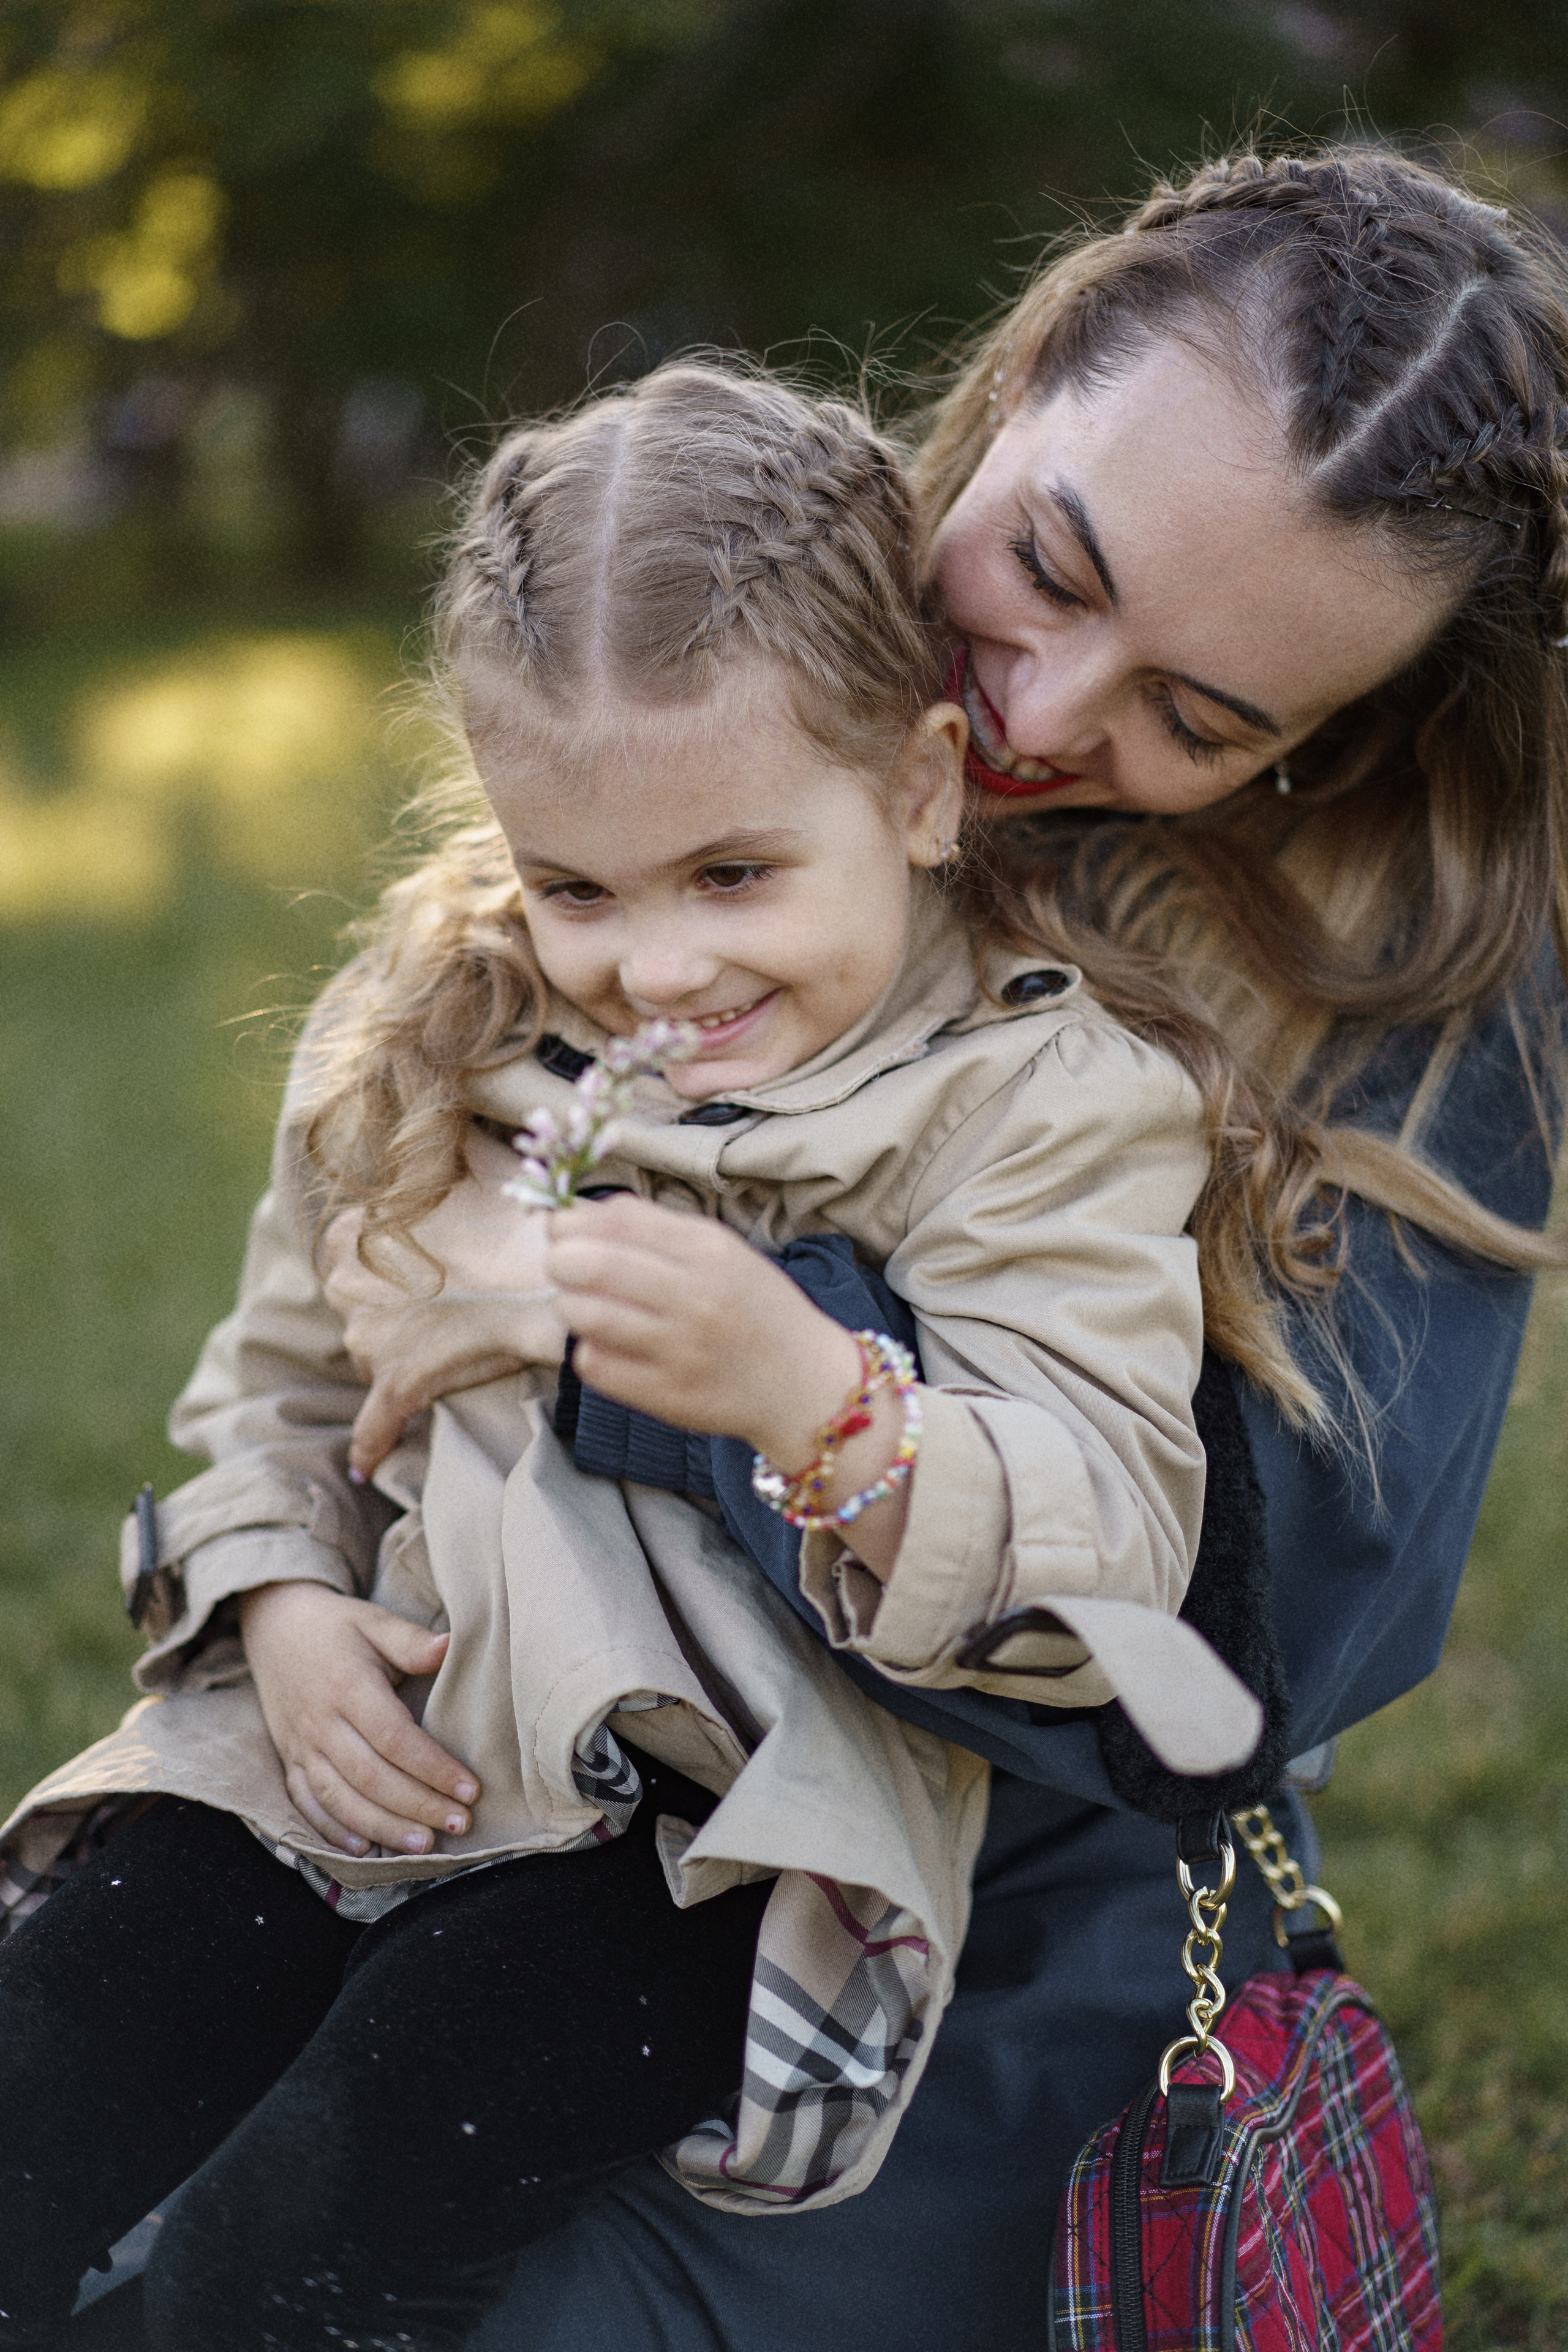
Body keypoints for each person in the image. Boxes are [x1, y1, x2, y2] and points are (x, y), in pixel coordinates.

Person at [0, 358, 1287, 2351]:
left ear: (922, 788)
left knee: (317, 2203)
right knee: (53, 2058)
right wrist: (277, 1606)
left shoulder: (1039, 1106)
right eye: (576, 887)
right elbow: (278, 1385)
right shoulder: (438, 1020)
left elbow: (1109, 1552)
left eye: (734, 876)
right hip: (361, 1749)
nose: (659, 970)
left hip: (702, 1848)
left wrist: (809, 1389)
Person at [417, 140, 1566, 2351]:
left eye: (1202, 719)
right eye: (1049, 564)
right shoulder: (741, 661)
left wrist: (680, 1352)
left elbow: (1245, 1649)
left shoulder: (1414, 993)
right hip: (527, 1771)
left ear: (1339, 737)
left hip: (984, 1954)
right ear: (1028, 375)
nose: (1043, 716)